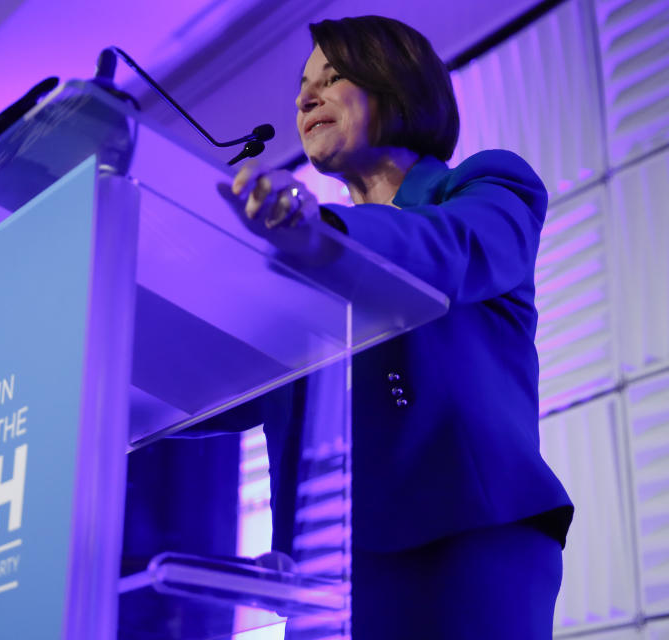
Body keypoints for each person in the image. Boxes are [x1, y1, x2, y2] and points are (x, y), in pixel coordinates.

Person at [216, 15, 574, 640]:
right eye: (304, 85)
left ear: (396, 83)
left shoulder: (484, 187)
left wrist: (323, 235)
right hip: (328, 566)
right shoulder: (305, 257)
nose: (305, 97)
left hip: (467, 535)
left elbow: (450, 249)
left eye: (333, 77)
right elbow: (230, 386)